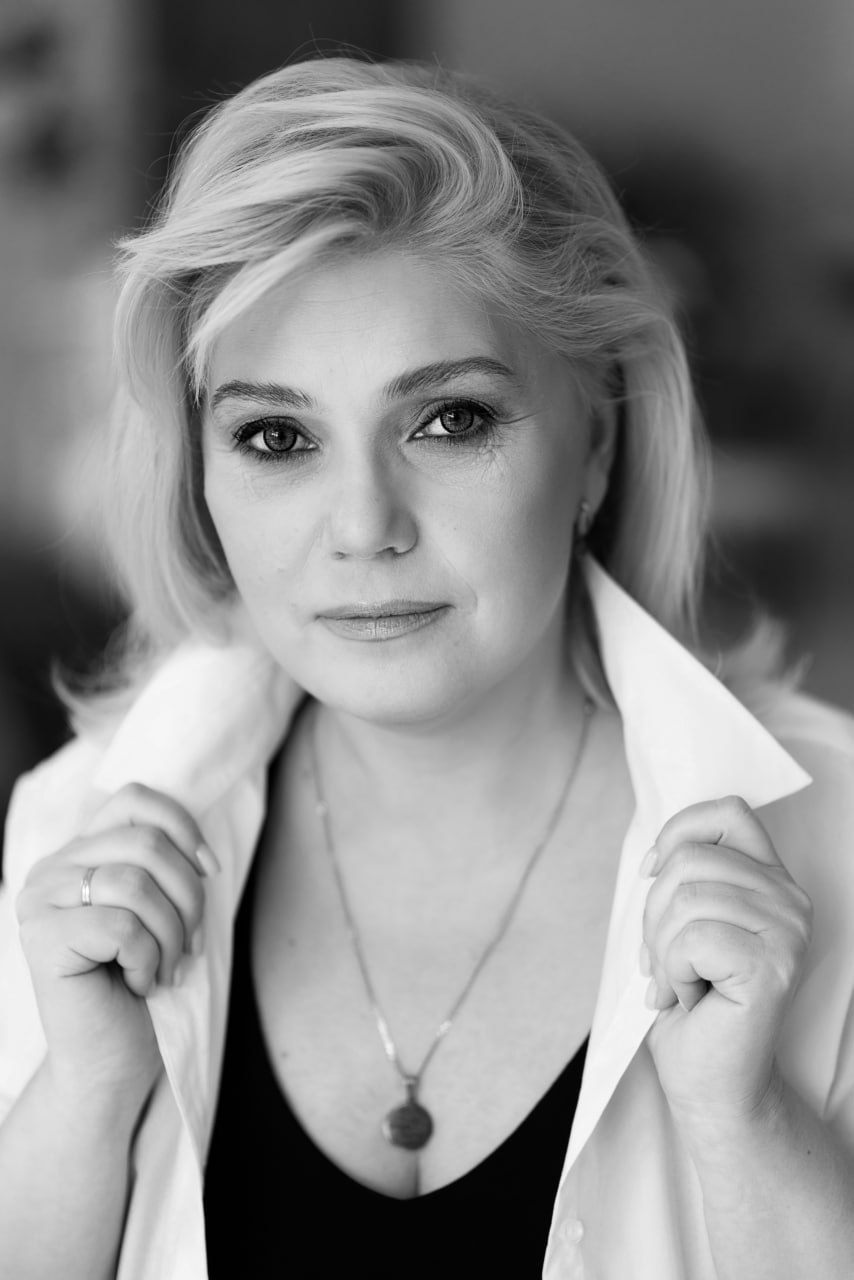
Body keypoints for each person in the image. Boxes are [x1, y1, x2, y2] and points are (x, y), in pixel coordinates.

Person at [0, 53, 853, 1280]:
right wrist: (85, 1092)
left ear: (596, 443)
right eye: (275, 435)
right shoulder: (68, 839)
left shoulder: (835, 843)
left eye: (450, 419)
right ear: (199, 474)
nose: (363, 524)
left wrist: (743, 1119)